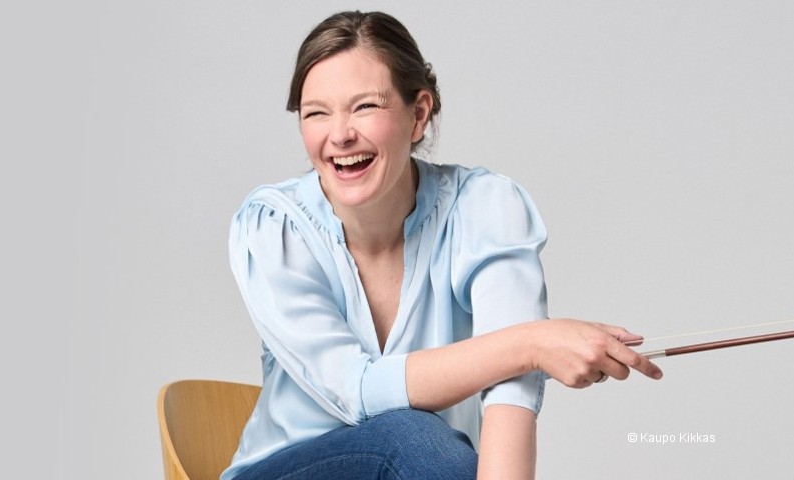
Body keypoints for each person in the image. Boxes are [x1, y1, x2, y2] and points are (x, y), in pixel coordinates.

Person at [224, 11, 664, 480]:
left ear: (418, 114)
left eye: (364, 106)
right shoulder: (275, 228)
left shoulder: (484, 209)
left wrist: (527, 351)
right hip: (285, 471)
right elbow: (356, 391)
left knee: (425, 444)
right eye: (316, 113)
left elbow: (510, 393)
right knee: (412, 436)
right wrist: (531, 343)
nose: (340, 134)